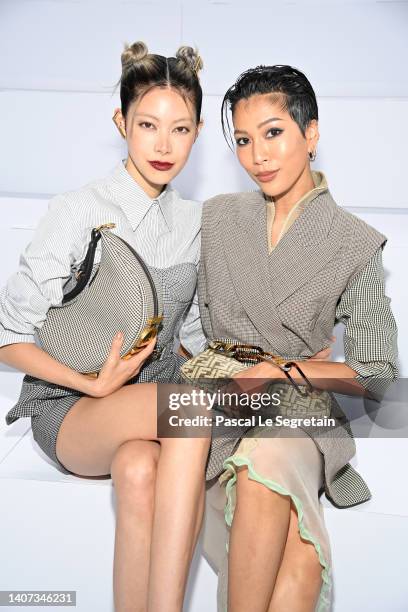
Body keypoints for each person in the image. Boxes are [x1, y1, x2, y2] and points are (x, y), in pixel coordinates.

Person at [0, 41, 209, 612]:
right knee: (190, 413)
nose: (164, 145)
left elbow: (189, 338)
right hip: (71, 406)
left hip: (144, 406)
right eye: (147, 125)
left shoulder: (194, 221)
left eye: (181, 129)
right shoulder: (81, 209)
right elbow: (7, 336)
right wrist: (93, 383)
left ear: (195, 134)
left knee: (141, 469)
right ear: (121, 123)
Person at [198, 65, 398, 611]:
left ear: (311, 135)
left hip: (300, 415)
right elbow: (187, 330)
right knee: (300, 562)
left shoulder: (354, 242)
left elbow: (378, 374)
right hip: (219, 407)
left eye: (273, 133)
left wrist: (283, 369)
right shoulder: (216, 219)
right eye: (242, 140)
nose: (257, 156)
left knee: (264, 467)